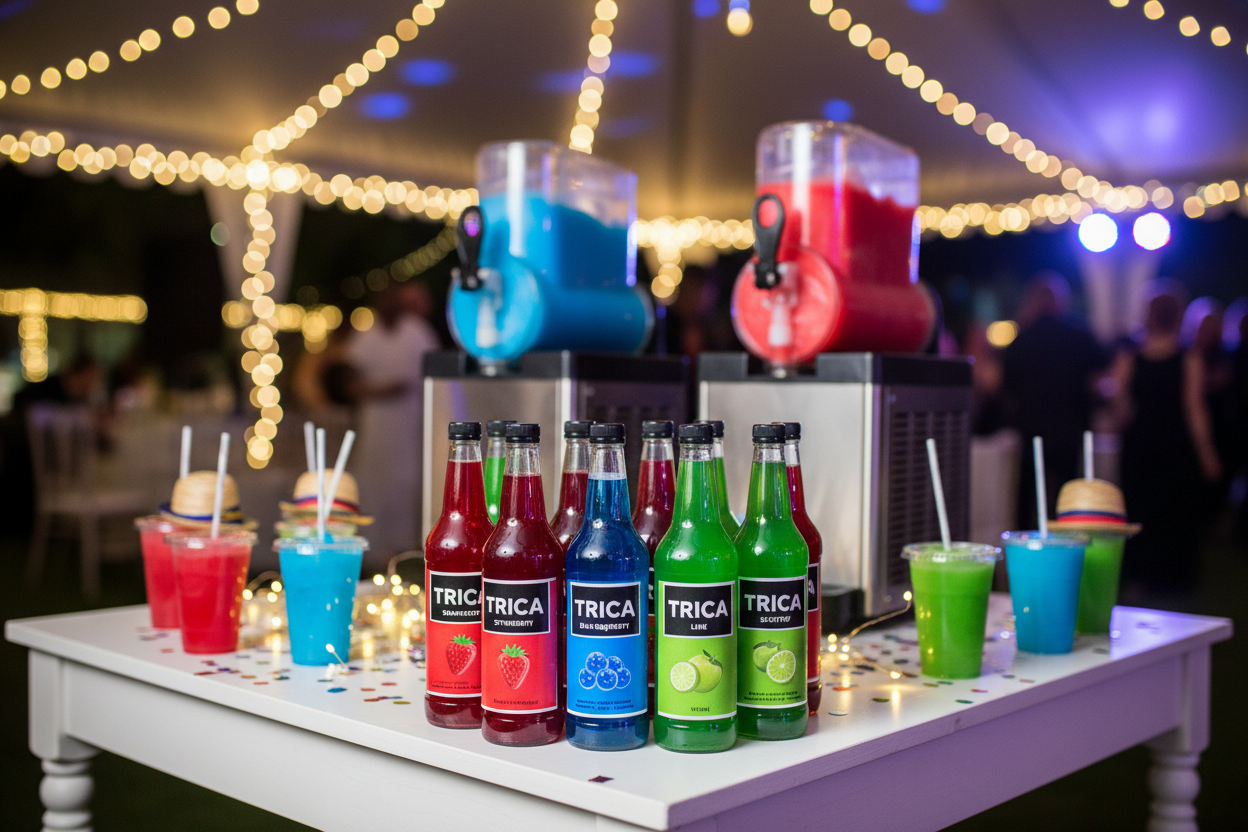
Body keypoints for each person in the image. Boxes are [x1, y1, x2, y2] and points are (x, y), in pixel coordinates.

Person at [1112, 283, 1221, 598]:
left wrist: (1122, 425)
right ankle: (1173, 579)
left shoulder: (1131, 354)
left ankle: (1140, 576)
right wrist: (1207, 452)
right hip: (1174, 444)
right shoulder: (1188, 357)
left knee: (1142, 509)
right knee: (1172, 510)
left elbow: (1119, 402)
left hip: (1141, 443)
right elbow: (1194, 407)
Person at [1001, 272, 1109, 528]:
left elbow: (1006, 387)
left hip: (1032, 431)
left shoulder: (1022, 338)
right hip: (1070, 431)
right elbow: (1100, 378)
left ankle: (1023, 553)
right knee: (1068, 499)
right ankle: (1067, 549)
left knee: (1028, 499)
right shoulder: (1079, 335)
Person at [347, 283, 440, 565]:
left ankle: (405, 556)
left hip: (409, 426)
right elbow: (350, 379)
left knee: (406, 488)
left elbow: (434, 377)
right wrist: (378, 391)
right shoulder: (366, 335)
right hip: (375, 428)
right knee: (373, 489)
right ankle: (373, 557)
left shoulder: (417, 332)